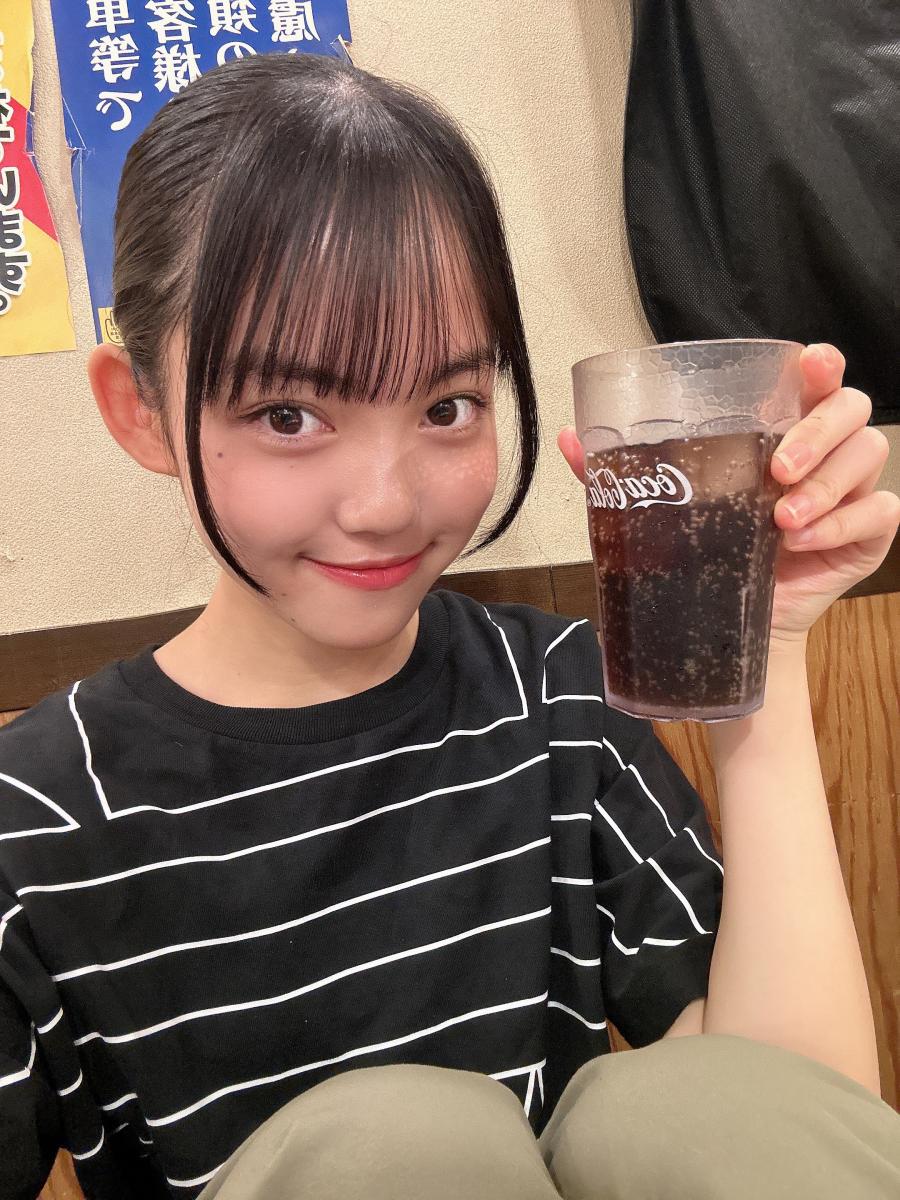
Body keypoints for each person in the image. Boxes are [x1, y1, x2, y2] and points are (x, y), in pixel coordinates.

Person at [1, 52, 899, 1200]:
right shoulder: (36, 819)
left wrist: (760, 652)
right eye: (289, 414)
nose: (386, 504)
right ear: (140, 410)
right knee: (396, 1151)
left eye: (447, 405)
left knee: (671, 1110)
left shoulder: (557, 700)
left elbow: (788, 1128)